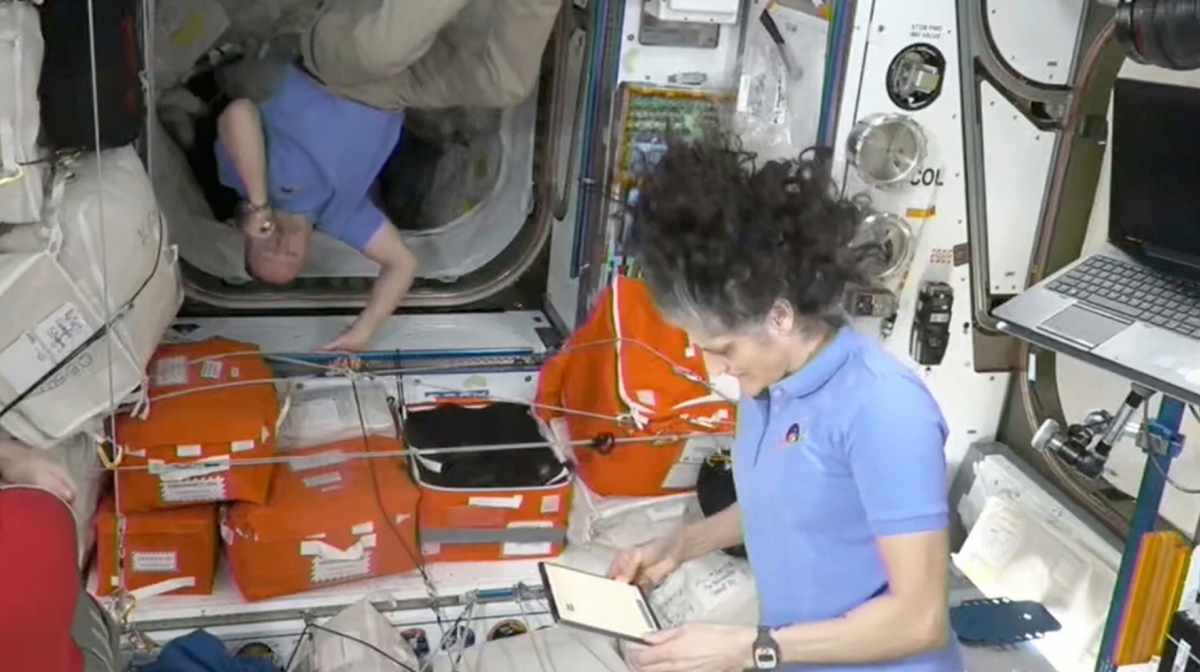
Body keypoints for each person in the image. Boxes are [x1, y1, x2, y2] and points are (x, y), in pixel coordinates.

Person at [609, 138, 962, 672]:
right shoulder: (769, 384)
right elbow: (788, 506)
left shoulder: (884, 410)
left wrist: (750, 649)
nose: (714, 371)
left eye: (722, 349)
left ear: (780, 317)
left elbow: (919, 620)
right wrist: (683, 543)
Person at [214, 0, 562, 352]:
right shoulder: (341, 216)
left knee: (382, 51)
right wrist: (364, 331)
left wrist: (257, 202)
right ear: (306, 253)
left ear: (247, 235)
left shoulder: (244, 180)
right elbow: (401, 265)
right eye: (289, 258)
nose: (281, 248)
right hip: (394, 95)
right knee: (505, 83)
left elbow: (238, 114)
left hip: (330, 70)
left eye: (267, 252)